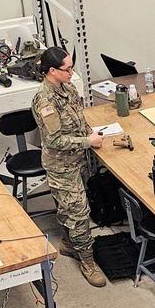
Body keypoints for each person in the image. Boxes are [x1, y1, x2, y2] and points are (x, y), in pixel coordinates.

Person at [30, 46, 108, 287]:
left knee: (69, 208)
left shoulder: (69, 88)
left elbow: (79, 119)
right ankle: (87, 261)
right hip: (61, 166)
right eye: (68, 69)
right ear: (52, 71)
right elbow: (53, 140)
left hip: (78, 159)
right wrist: (87, 141)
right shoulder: (45, 101)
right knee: (79, 213)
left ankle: (67, 243)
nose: (72, 73)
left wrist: (89, 135)